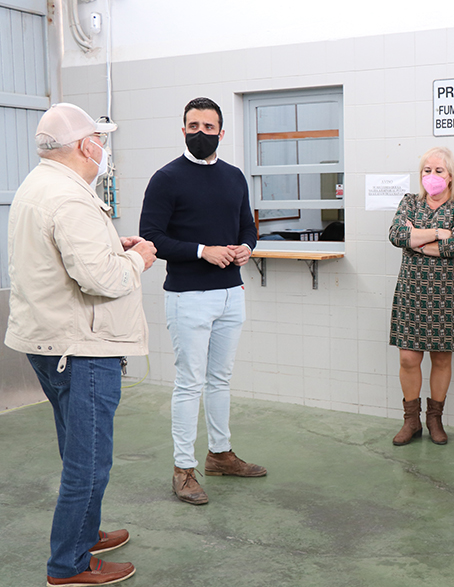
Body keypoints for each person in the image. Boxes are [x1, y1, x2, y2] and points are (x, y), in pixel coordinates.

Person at [5, 103, 157, 585]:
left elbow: (68, 258)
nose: (103, 148)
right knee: (88, 462)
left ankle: (85, 534)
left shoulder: (38, 185)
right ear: (84, 145)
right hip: (82, 350)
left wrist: (113, 248)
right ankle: (68, 565)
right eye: (99, 139)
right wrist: (138, 260)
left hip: (50, 343)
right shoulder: (69, 198)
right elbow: (102, 280)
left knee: (77, 449)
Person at [140, 97, 264, 506]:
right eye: (193, 126)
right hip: (188, 296)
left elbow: (247, 225)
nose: (200, 133)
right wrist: (201, 251)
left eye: (208, 127)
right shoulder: (166, 178)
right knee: (189, 383)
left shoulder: (234, 177)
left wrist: (246, 247)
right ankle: (183, 469)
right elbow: (151, 238)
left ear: (221, 133)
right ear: (183, 130)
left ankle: (220, 455)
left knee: (220, 379)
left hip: (231, 293)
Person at [388, 146, 454, 446]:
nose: (432, 175)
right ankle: (411, 421)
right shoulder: (409, 202)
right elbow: (397, 235)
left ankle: (434, 419)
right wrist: (439, 233)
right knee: (408, 358)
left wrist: (417, 240)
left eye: (439, 170)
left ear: (450, 176)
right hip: (412, 290)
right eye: (427, 170)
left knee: (441, 358)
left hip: (447, 292)